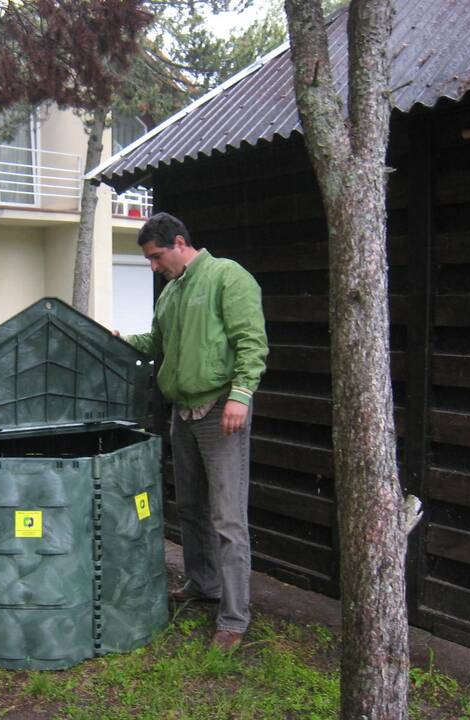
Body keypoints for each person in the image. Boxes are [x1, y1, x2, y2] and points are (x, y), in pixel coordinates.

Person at [124, 212, 268, 652]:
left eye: (156, 256)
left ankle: (234, 617)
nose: (153, 266)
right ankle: (203, 584)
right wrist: (117, 339)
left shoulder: (227, 276)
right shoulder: (170, 293)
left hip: (221, 409)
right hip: (181, 413)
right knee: (189, 507)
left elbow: (251, 341)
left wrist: (241, 395)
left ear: (180, 242)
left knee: (227, 518)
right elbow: (157, 343)